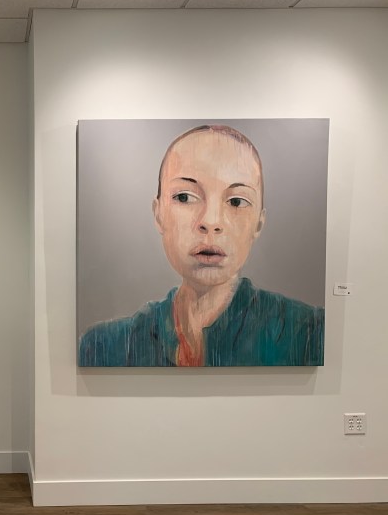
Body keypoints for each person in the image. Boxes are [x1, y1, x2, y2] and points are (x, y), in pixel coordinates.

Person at [78, 125, 324, 367]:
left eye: (236, 202)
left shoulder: (308, 333)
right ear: (158, 214)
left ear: (258, 223)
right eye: (184, 197)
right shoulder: (105, 347)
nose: (211, 221)